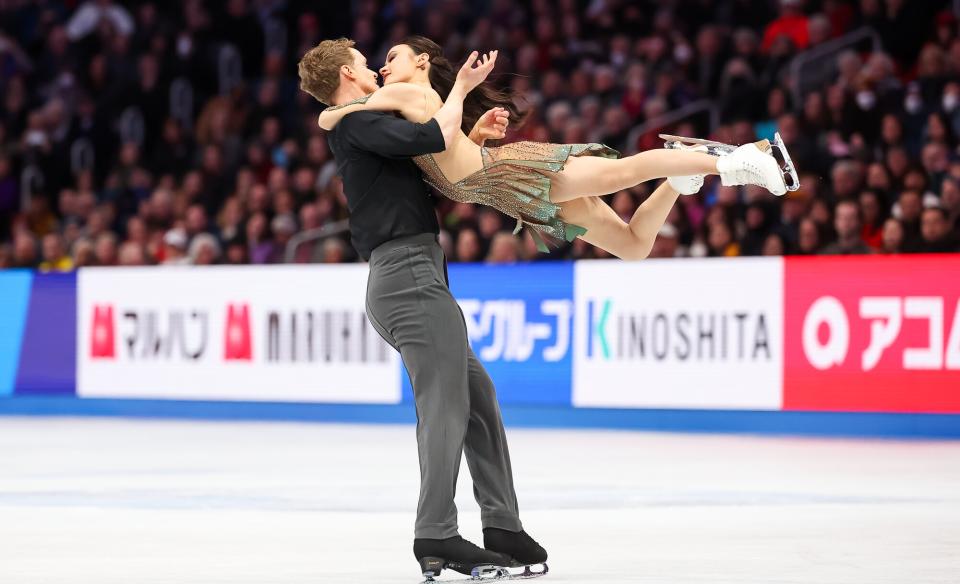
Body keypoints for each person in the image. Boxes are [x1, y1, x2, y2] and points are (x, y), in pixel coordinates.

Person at [298, 39, 544, 579]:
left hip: (416, 275)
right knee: (444, 407)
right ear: (347, 74)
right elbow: (432, 134)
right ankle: (435, 532)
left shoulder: (363, 122)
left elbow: (438, 167)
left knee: (476, 396)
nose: (376, 70)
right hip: (407, 278)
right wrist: (460, 88)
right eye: (366, 64)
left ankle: (501, 523)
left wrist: (472, 134)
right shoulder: (352, 121)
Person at [310, 36, 789, 259]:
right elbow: (447, 153)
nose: (383, 67)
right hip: (511, 193)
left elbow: (344, 112)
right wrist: (475, 133)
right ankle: (678, 179)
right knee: (633, 247)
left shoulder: (404, 93)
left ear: (421, 61)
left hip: (513, 174)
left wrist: (327, 112)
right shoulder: (419, 103)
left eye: (391, 58)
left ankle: (739, 158)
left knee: (625, 171)